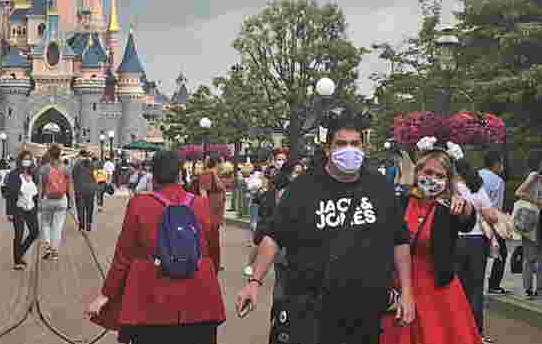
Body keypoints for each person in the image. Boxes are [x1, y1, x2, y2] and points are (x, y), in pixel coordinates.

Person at [236, 107, 415, 344]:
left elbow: (400, 241)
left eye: (355, 143)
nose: (349, 150)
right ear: (328, 148)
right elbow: (273, 236)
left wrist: (407, 293)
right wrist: (254, 282)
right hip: (313, 310)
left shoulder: (379, 187)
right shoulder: (303, 188)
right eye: (341, 144)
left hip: (364, 312)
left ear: (363, 147)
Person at [85, 150, 226, 343]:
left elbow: (123, 257)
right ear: (180, 174)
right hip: (198, 302)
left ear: (153, 176)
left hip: (150, 304)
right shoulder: (201, 205)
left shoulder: (139, 204)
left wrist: (106, 295)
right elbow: (213, 252)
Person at [380, 139, 479, 344]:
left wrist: (463, 204)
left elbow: (467, 221)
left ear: (448, 180)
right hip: (400, 286)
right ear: (417, 173)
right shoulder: (401, 201)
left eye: (440, 176)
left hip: (438, 290)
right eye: (428, 173)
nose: (432, 179)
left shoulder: (449, 207)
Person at [454, 157, 499, 341]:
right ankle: (476, 333)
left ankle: (458, 331)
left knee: (458, 287)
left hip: (455, 241)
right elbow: (492, 216)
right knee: (476, 288)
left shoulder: (450, 189)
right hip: (476, 241)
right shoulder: (476, 188)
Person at [5, 150, 39, 270]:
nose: (27, 161)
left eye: (29, 159)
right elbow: (9, 194)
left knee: (35, 231)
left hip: (31, 207)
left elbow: (36, 192)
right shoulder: (14, 174)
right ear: (20, 160)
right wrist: (9, 212)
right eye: (25, 159)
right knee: (19, 234)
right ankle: (17, 261)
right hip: (18, 208)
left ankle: (20, 252)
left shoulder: (33, 174)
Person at [480, 150, 509, 294]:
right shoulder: (498, 181)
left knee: (479, 254)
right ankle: (494, 285)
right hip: (490, 221)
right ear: (496, 163)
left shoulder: (475, 175)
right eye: (501, 163)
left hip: (474, 221)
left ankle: (476, 283)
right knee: (502, 252)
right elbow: (497, 207)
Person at [39, 144, 72, 261]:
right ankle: (55, 251)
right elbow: (69, 187)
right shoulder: (66, 168)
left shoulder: (44, 169)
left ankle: (48, 244)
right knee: (57, 226)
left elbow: (41, 186)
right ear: (59, 154)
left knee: (46, 223)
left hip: (48, 199)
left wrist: (39, 200)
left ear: (49, 154)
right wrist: (71, 201)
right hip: (61, 200)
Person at [515, 159, 542, 298]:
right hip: (531, 220)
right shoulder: (534, 176)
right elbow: (519, 192)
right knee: (530, 257)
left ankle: (539, 289)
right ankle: (528, 288)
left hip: (538, 221)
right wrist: (536, 202)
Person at [199, 156, 226, 272]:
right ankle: (211, 265)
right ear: (217, 163)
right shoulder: (207, 174)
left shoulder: (215, 175)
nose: (224, 164)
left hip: (215, 215)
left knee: (214, 241)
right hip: (211, 214)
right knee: (211, 242)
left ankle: (214, 264)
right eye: (222, 162)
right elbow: (203, 193)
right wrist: (205, 212)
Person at [72, 151, 98, 232]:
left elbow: (73, 176)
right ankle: (89, 224)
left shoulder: (76, 164)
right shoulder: (92, 164)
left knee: (80, 207)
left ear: (80, 155)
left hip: (80, 189)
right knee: (90, 207)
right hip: (90, 189)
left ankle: (82, 225)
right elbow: (96, 176)